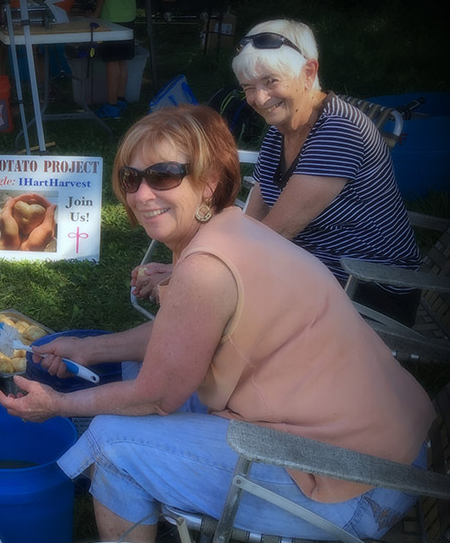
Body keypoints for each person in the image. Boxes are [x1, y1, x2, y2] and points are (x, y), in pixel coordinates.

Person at [0, 104, 434, 543]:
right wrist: (89, 349)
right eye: (131, 178)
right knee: (131, 382)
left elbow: (157, 396)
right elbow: (183, 335)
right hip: (383, 447)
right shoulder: (235, 229)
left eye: (163, 175)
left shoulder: (205, 268)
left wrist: (57, 404)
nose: (142, 195)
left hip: (357, 482)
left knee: (111, 443)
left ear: (207, 183)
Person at [132, 19, 422, 328]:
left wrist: (190, 274)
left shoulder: (340, 132)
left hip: (366, 289)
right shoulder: (280, 131)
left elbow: (275, 234)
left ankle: (134, 347)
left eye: (270, 81)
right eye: (248, 87)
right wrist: (189, 266)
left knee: (208, 305)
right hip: (308, 268)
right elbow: (253, 223)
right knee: (204, 302)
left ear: (308, 72)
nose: (259, 99)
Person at [92, 0, 136, 119]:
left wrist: (96, 12)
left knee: (112, 62)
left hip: (113, 14)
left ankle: (111, 106)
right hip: (128, 11)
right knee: (122, 60)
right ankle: (120, 100)